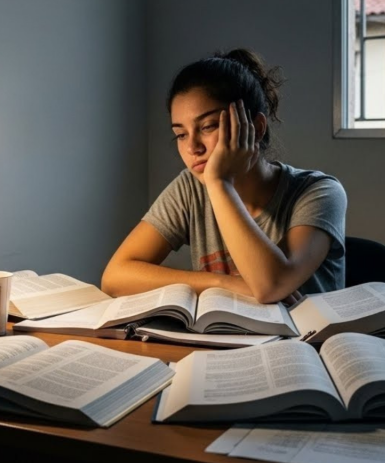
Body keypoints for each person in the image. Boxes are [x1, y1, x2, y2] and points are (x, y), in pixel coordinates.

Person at [101, 49, 347, 304]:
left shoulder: (320, 192)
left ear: (256, 128)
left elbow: (270, 286)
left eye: (208, 126)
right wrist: (222, 283)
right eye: (181, 134)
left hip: (307, 331)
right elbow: (115, 277)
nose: (192, 147)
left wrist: (219, 183)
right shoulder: (190, 188)